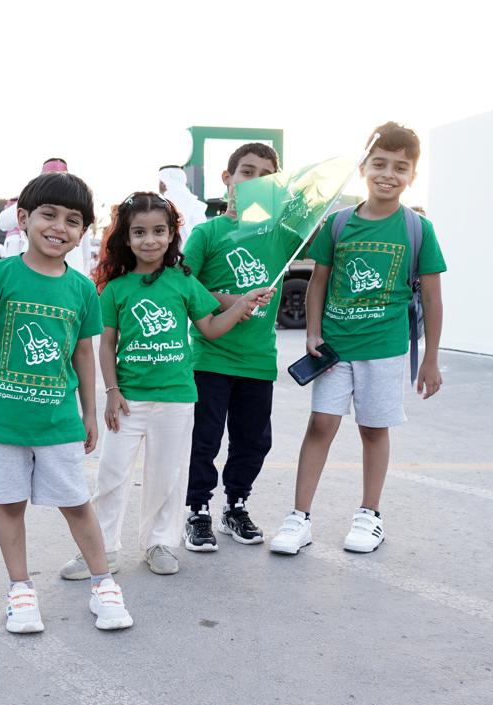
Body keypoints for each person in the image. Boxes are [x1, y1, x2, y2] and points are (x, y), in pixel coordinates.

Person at [59, 192, 273, 579]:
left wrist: (241, 307)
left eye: (159, 231)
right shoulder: (117, 288)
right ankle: (99, 549)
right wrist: (112, 391)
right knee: (111, 477)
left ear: (172, 234)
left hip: (176, 399)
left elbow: (209, 328)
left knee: (166, 477)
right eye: (139, 232)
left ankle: (159, 542)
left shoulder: (184, 281)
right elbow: (106, 344)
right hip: (128, 401)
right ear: (126, 237)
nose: (150, 240)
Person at [0, 171, 133, 634]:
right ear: (23, 219)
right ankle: (20, 590)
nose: (59, 227)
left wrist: (90, 411)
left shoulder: (80, 289)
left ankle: (103, 584)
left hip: (58, 421)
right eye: (48, 215)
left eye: (72, 220)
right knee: (9, 504)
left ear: (83, 232)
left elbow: (83, 353)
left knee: (77, 503)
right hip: (1, 420)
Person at [268, 122, 447, 555]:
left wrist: (431, 360)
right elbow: (318, 284)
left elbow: (434, 298)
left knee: (372, 429)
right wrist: (312, 331)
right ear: (364, 167)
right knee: (322, 425)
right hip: (335, 348)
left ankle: (370, 516)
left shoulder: (417, 228)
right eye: (380, 164)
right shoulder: (338, 223)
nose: (388, 174)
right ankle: (299, 518)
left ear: (412, 176)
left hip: (385, 350)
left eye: (400, 167)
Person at [182, 142, 294, 552]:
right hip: (210, 358)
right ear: (228, 179)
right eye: (247, 172)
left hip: (258, 362)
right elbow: (184, 283)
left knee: (252, 442)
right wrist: (234, 301)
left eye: (267, 175)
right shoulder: (208, 232)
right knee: (204, 440)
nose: (255, 180)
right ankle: (197, 510)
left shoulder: (282, 234)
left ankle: (236, 505)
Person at [158, 164, 208, 242]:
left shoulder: (164, 204)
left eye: (160, 181)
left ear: (165, 184)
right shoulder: (195, 204)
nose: (158, 185)